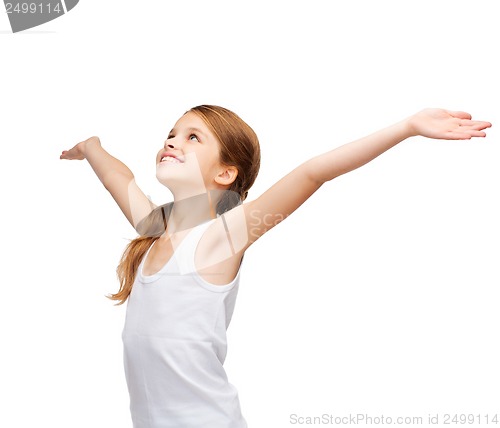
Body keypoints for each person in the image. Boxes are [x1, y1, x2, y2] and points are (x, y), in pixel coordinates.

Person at [60, 105, 491, 427]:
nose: (172, 140)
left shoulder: (221, 238)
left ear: (226, 174)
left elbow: (313, 173)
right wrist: (91, 147)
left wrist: (407, 128)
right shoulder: (154, 227)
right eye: (171, 133)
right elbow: (116, 176)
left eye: (193, 137)